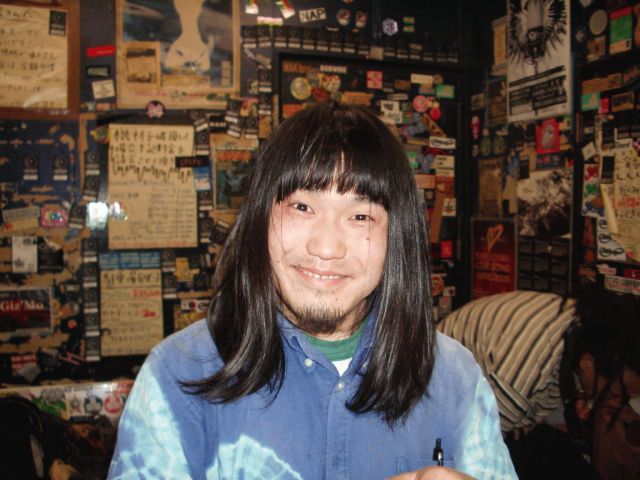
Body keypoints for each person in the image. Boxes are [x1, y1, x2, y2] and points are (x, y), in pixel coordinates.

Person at [108, 102, 516, 479]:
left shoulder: (453, 378)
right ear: (260, 218)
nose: (326, 248)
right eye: (302, 207)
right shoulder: (178, 374)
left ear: (397, 237)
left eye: (361, 216)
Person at [438, 285, 640, 480]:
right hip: (443, 404)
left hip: (490, 405)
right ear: (588, 363)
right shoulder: (525, 372)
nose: (615, 403)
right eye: (614, 394)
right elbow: (474, 457)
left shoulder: (586, 330)